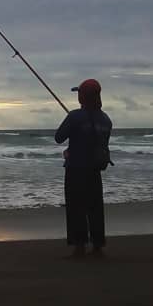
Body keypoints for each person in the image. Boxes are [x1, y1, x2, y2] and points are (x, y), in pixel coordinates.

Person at [55, 79, 112, 257]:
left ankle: (79, 246)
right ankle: (97, 245)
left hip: (76, 169)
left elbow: (59, 137)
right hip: (95, 169)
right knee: (95, 207)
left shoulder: (75, 116)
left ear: (82, 96)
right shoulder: (106, 120)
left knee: (76, 207)